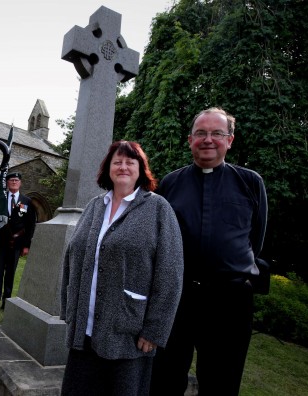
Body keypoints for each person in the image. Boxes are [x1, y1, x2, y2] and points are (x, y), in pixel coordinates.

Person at [150, 107, 268, 395]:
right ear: (190, 139)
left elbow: (259, 238)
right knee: (165, 378)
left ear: (230, 140)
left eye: (217, 133)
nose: (208, 139)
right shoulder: (170, 182)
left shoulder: (251, 182)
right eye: (201, 133)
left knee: (221, 382)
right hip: (178, 298)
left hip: (230, 301)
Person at [60, 141, 184, 396]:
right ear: (108, 169)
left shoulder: (158, 208)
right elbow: (72, 258)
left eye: (131, 162)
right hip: (85, 330)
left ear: (141, 169)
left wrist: (155, 330)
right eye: (117, 161)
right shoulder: (95, 205)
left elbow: (170, 273)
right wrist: (69, 310)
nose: (123, 167)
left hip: (128, 332)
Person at [0, 171, 36, 312]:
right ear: (7, 183)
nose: (14, 182)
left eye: (16, 180)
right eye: (11, 180)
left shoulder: (27, 201)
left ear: (20, 183)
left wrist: (26, 245)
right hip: (1, 242)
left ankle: (6, 301)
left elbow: (31, 225)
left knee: (10, 273)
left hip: (16, 243)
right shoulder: (0, 198)